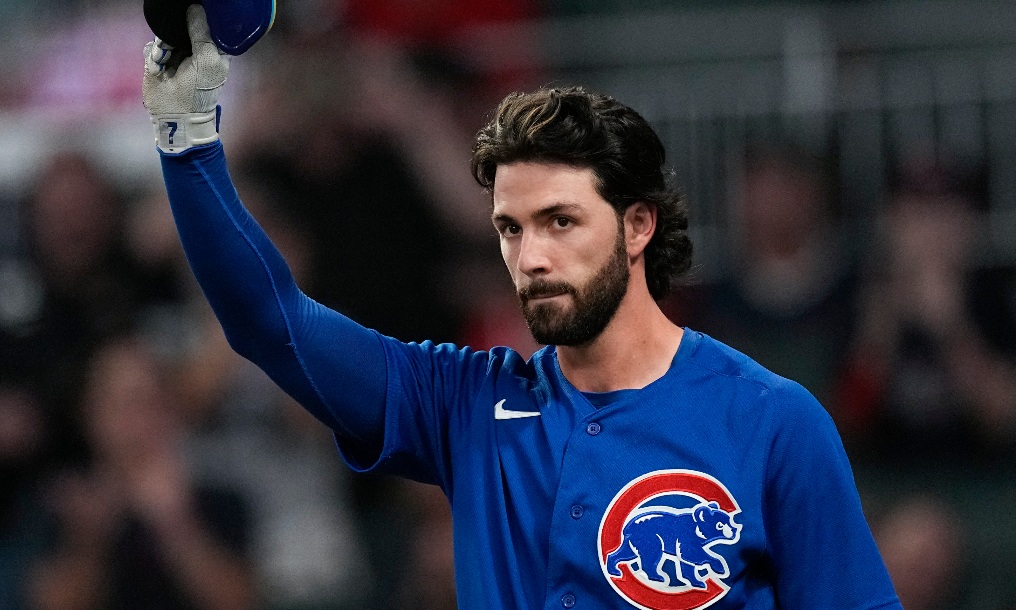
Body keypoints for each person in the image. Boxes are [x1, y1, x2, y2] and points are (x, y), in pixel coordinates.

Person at [142, 8, 901, 609]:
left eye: (561, 222)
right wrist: (190, 141)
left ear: (639, 225)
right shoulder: (463, 404)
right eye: (511, 228)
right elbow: (269, 321)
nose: (530, 257)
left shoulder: (773, 421)